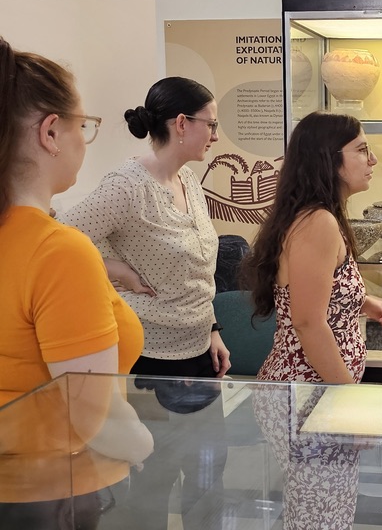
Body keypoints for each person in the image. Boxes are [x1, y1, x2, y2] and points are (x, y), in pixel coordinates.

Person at [60, 76, 230, 528]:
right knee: (157, 477)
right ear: (181, 123)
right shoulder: (127, 186)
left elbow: (197, 265)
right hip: (150, 361)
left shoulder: (190, 181)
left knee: (209, 470)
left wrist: (212, 328)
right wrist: (114, 269)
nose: (216, 135)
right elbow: (60, 240)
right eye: (211, 125)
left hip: (199, 351)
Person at [0, 37, 152, 529]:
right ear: (50, 132)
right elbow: (94, 419)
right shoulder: (59, 250)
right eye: (83, 126)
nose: (84, 139)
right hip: (49, 495)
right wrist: (145, 442)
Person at [241, 111, 382, 530]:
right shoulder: (318, 222)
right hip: (309, 398)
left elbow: (313, 294)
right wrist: (351, 405)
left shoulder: (318, 217)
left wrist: (364, 303)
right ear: (328, 159)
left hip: (313, 395)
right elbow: (308, 323)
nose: (373, 160)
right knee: (322, 519)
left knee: (317, 514)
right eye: (362, 150)